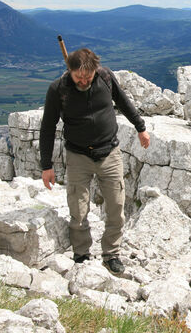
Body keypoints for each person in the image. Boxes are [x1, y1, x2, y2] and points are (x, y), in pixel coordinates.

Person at [39, 48, 150, 275]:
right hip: (78, 155)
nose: (83, 81)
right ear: (69, 70)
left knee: (116, 206)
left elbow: (124, 102)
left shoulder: (105, 77)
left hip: (109, 152)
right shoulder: (58, 90)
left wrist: (141, 127)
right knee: (78, 208)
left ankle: (112, 254)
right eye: (78, 77)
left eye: (87, 77)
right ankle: (81, 254)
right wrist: (46, 165)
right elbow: (47, 128)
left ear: (95, 70)